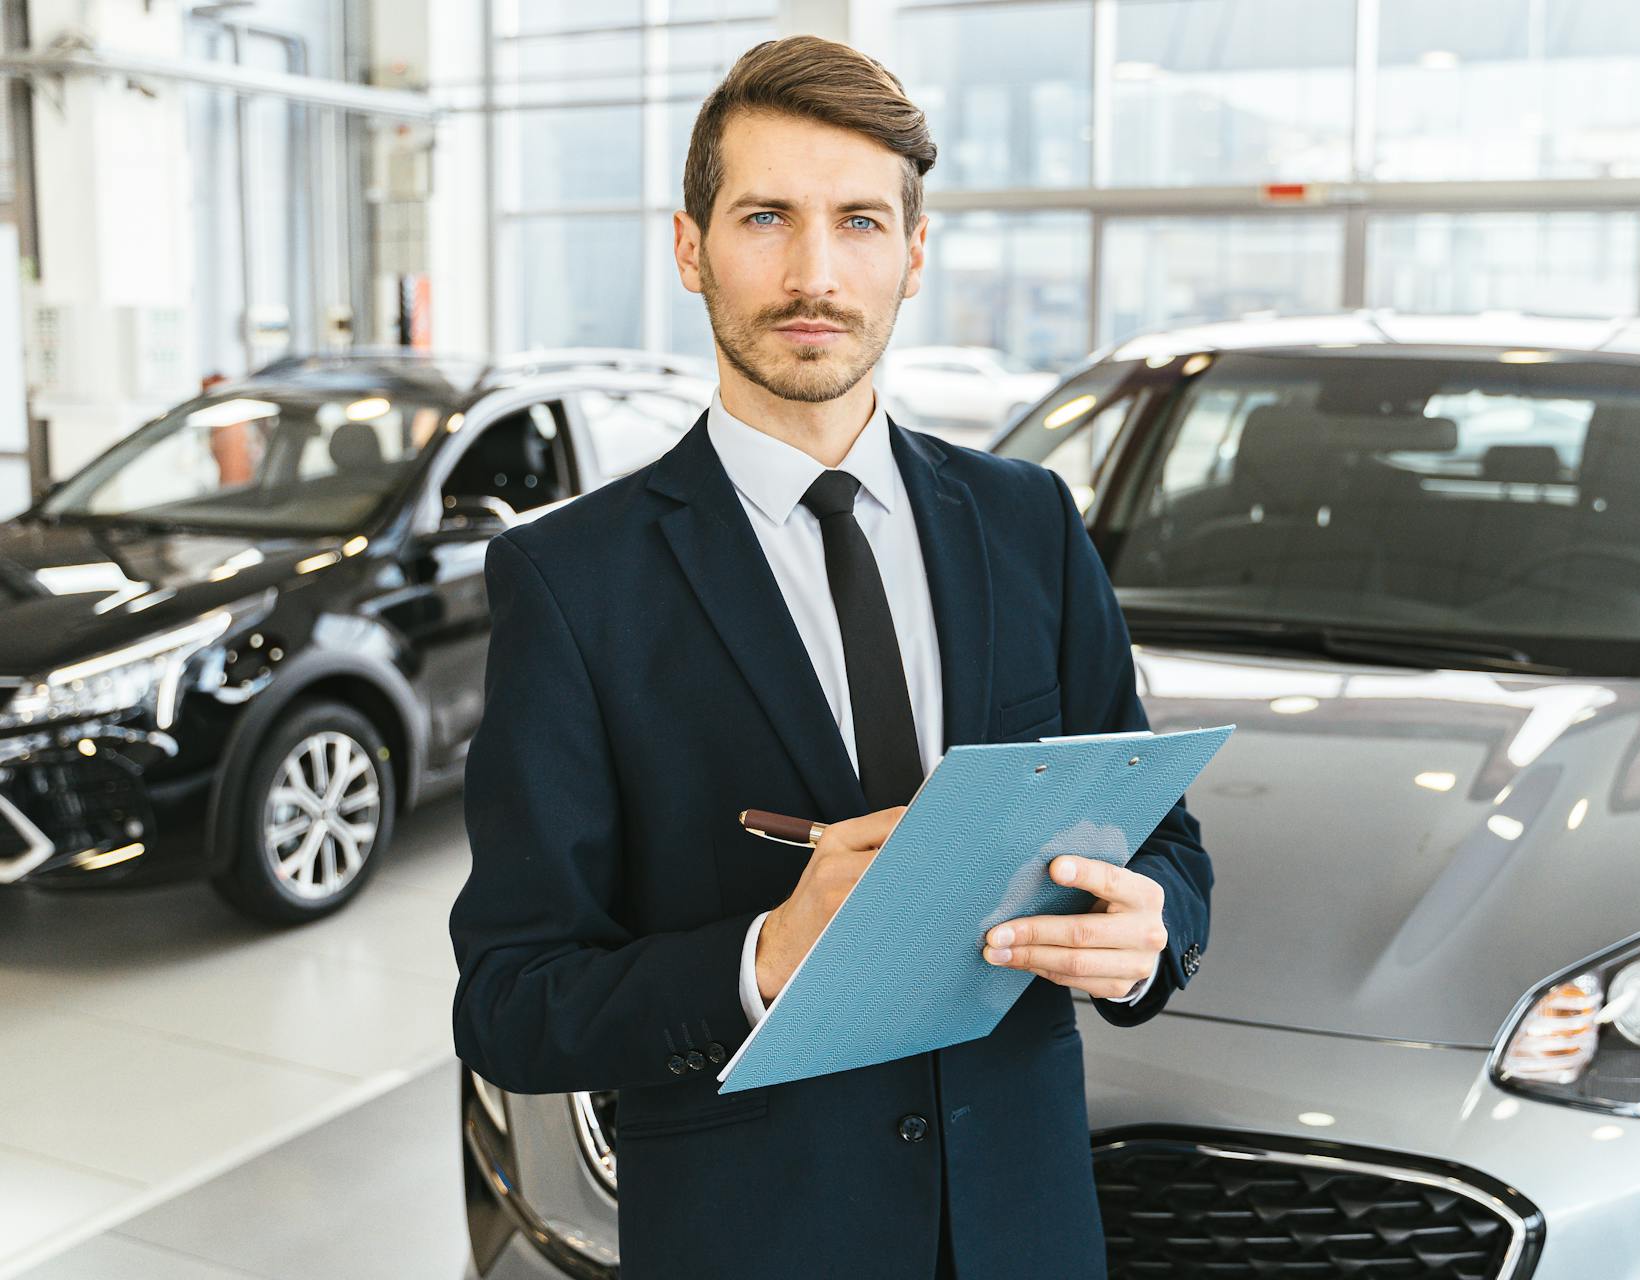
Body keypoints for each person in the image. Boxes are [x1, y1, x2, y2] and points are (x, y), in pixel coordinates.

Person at [448, 34, 1212, 1279]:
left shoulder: (1027, 523)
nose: (814, 272)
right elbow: (512, 1003)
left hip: (1024, 1234)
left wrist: (1150, 934)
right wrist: (761, 958)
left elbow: (1167, 841)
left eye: (859, 221)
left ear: (912, 255)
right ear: (691, 247)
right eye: (765, 217)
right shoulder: (573, 582)